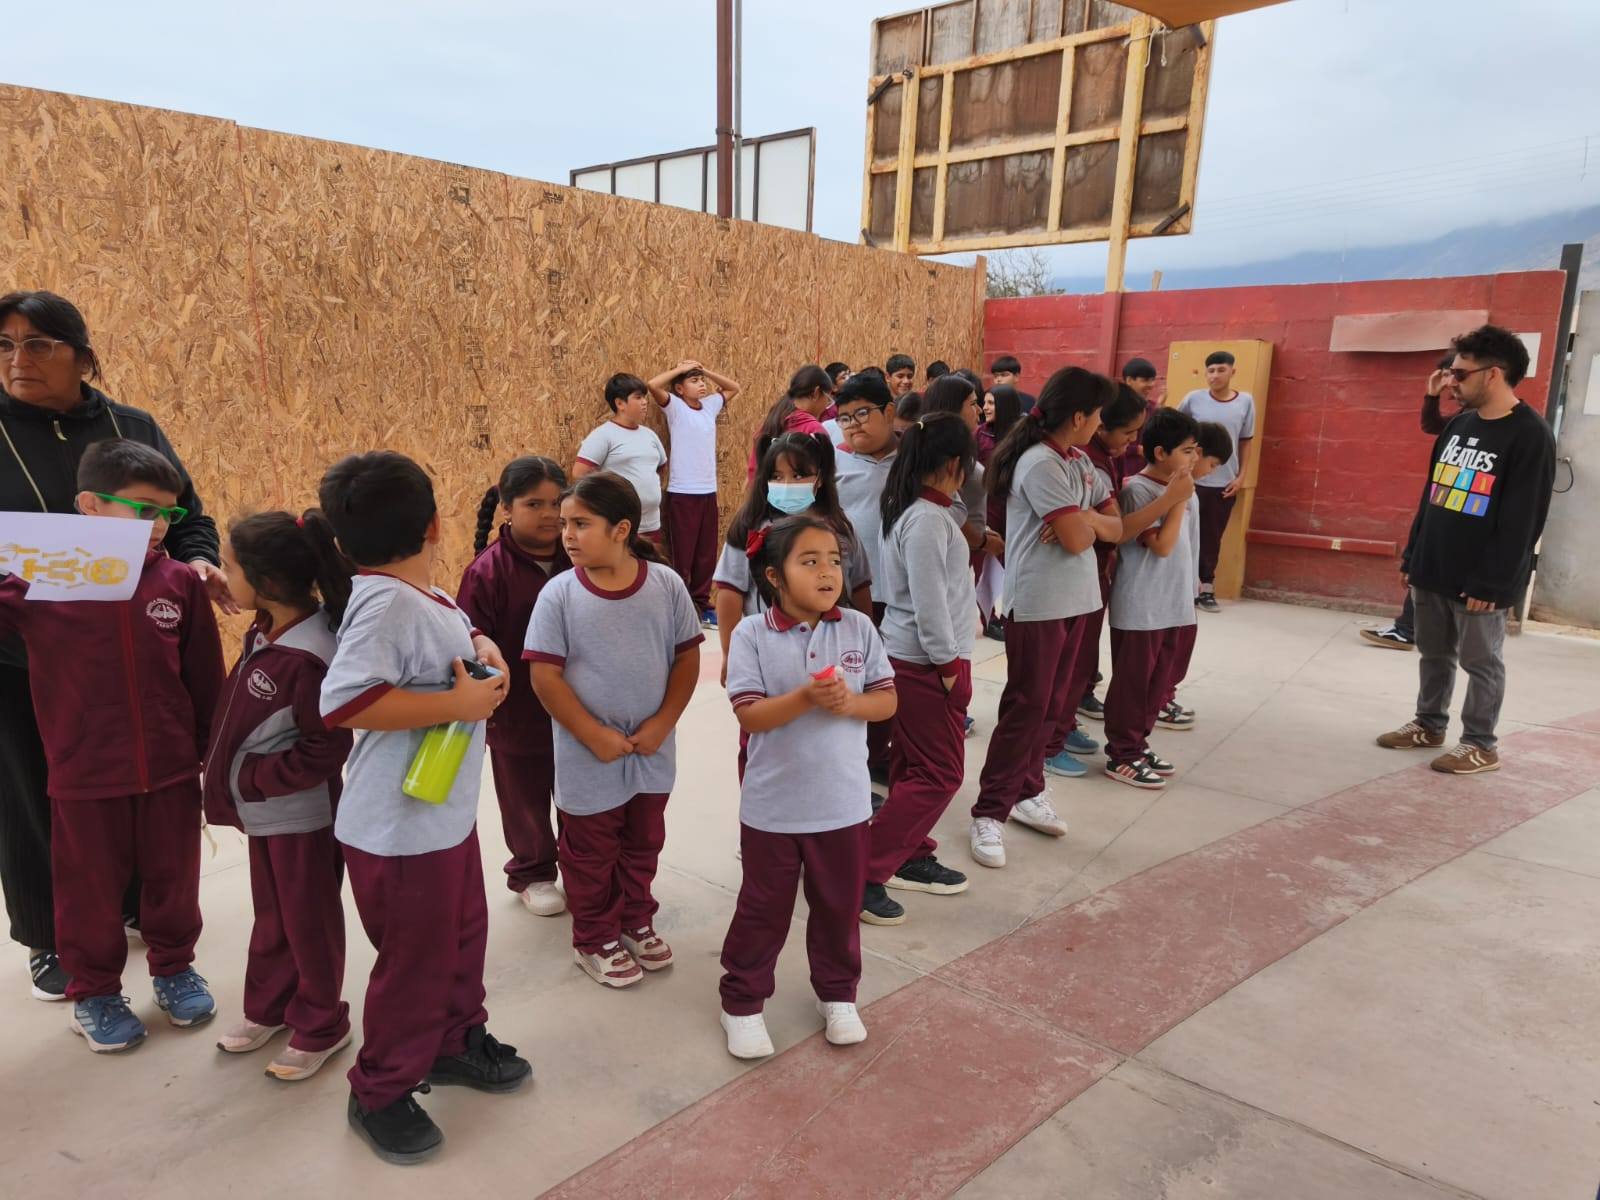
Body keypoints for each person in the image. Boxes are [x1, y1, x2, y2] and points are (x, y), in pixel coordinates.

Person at [0, 290, 228, 1002]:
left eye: (38, 343)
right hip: (23, 655)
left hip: (133, 647)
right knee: (35, 799)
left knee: (144, 805)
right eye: (4, 345)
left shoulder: (132, 427)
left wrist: (198, 561)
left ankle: (144, 919)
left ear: (82, 355)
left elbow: (188, 517)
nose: (17, 359)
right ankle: (51, 940)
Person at [318, 450, 529, 1166]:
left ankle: (453, 1040)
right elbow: (345, 702)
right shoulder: (384, 603)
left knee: (461, 936)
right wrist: (458, 704)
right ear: (436, 523)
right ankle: (379, 1090)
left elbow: (458, 630)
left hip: (439, 819)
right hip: (396, 831)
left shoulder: (423, 594)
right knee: (415, 961)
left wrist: (484, 646)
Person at [718, 516, 896, 1059]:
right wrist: (806, 698)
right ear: (775, 576)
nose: (827, 573)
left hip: (843, 806)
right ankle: (742, 1002)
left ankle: (837, 995)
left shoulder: (858, 627)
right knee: (763, 909)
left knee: (839, 907)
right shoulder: (751, 634)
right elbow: (749, 715)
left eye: (835, 561)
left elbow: (886, 700)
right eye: (810, 561)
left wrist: (852, 703)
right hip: (773, 809)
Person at [527, 472, 702, 987]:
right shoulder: (559, 595)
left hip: (651, 749)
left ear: (622, 529)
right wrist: (592, 734)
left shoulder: (666, 585)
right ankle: (594, 937)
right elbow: (545, 677)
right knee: (589, 852)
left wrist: (663, 723)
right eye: (565, 524)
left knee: (643, 841)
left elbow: (687, 660)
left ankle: (634, 919)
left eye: (581, 523)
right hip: (588, 755)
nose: (567, 535)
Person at [207, 508, 355, 1079]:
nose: (225, 577)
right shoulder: (265, 629)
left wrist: (253, 778)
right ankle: (270, 1007)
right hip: (267, 813)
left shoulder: (309, 655)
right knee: (273, 915)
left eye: (230, 567)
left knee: (308, 921)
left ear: (266, 581)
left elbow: (327, 746)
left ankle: (323, 1022)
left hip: (302, 818)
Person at [1376, 325, 1555, 775]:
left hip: (1481, 581)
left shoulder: (1530, 435)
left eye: (1459, 373)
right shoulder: (1459, 424)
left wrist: (1493, 583)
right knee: (1434, 653)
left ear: (1493, 374)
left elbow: (1523, 520)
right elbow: (1432, 493)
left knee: (1481, 662)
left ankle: (1480, 744)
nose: (1450, 381)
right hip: (1433, 566)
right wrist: (1414, 555)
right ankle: (1429, 724)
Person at [969, 368, 1119, 870]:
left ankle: (1028, 790)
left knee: (1055, 705)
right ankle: (990, 811)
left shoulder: (1078, 460)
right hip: (1039, 603)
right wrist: (1088, 523)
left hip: (1078, 600)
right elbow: (1076, 541)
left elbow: (1114, 525)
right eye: (1097, 415)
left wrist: (1088, 518)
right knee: (1028, 706)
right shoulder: (1039, 463)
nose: (1099, 424)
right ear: (1078, 416)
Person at [862, 414, 977, 925]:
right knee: (941, 772)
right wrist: (950, 668)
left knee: (913, 766)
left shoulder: (919, 510)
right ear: (953, 464)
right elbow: (930, 604)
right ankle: (865, 871)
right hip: (926, 661)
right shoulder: (927, 520)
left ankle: (908, 850)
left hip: (917, 657)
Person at [457, 456, 572, 918]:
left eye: (557, 503)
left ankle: (584, 868)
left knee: (579, 796)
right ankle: (533, 872)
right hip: (516, 712)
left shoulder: (581, 555)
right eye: (534, 504)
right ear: (506, 508)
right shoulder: (486, 572)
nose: (549, 514)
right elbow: (470, 645)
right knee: (524, 799)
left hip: (576, 708)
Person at [1045, 384, 1150, 758]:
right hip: (1065, 580)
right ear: (1095, 423)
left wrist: (1091, 519)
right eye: (1128, 432)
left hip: (1091, 575)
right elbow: (1083, 535)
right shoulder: (1058, 463)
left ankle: (1062, 726)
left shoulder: (1088, 460)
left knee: (1077, 661)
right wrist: (1170, 499)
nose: (1134, 442)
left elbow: (1114, 524)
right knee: (1062, 668)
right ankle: (1051, 741)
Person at [716, 434, 873, 679]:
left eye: (799, 476)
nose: (787, 484)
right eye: (777, 477)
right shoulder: (750, 526)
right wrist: (730, 652)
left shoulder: (841, 528)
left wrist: (866, 643)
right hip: (768, 652)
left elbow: (860, 587)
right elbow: (730, 591)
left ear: (820, 478)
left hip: (834, 648)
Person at [1102, 408, 1201, 789]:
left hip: (1173, 603)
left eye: (1195, 450)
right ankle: (1121, 753)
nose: (1194, 458)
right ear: (1160, 453)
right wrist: (1176, 499)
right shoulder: (1138, 490)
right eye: (1187, 451)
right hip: (1142, 605)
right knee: (1133, 683)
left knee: (1157, 684)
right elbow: (1161, 545)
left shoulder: (1183, 491)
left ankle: (1138, 745)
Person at [1361, 352, 1461, 650]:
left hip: (1459, 498)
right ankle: (1409, 627)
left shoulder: (1476, 415)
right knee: (1425, 559)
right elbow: (1433, 426)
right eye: (1446, 375)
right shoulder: (1465, 414)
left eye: (1454, 374)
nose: (1449, 383)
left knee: (1429, 561)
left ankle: (1409, 629)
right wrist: (1431, 395)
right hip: (1445, 492)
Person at [832, 374, 901, 786]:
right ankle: (851, 762)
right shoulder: (834, 463)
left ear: (889, 412)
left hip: (899, 594)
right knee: (851, 679)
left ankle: (879, 756)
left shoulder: (912, 460)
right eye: (844, 418)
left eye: (861, 413)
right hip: (849, 593)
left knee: (887, 679)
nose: (853, 425)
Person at [647, 359, 742, 626]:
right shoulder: (675, 408)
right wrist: (680, 370)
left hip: (708, 491)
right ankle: (681, 606)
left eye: (702, 381)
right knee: (683, 554)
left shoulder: (710, 406)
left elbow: (734, 387)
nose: (701, 385)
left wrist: (705, 370)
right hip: (682, 492)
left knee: (705, 553)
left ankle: (702, 603)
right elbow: (653, 385)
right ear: (679, 389)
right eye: (694, 381)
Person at [1178, 351, 1256, 613]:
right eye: (1210, 370)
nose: (1215, 375)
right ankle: (1185, 587)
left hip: (1223, 484)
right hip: (1191, 478)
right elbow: (1176, 431)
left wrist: (1241, 477)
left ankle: (1206, 589)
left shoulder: (1245, 402)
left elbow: (1246, 441)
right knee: (1183, 534)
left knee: (1211, 538)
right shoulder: (1193, 399)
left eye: (1221, 370)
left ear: (1233, 371)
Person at [574, 373, 669, 548]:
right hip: (621, 527)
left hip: (652, 525)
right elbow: (580, 474)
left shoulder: (650, 435)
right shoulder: (603, 435)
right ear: (620, 403)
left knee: (650, 565)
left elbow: (660, 468)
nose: (645, 402)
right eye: (638, 397)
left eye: (645, 397)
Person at [746, 364, 834, 482]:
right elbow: (825, 480)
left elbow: (753, 473)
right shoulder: (815, 431)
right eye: (828, 399)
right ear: (816, 393)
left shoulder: (769, 424)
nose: (826, 406)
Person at [978, 384, 1022, 465]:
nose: (984, 407)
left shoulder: (1023, 434)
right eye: (984, 403)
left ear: (1005, 405)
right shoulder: (979, 432)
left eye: (991, 403)